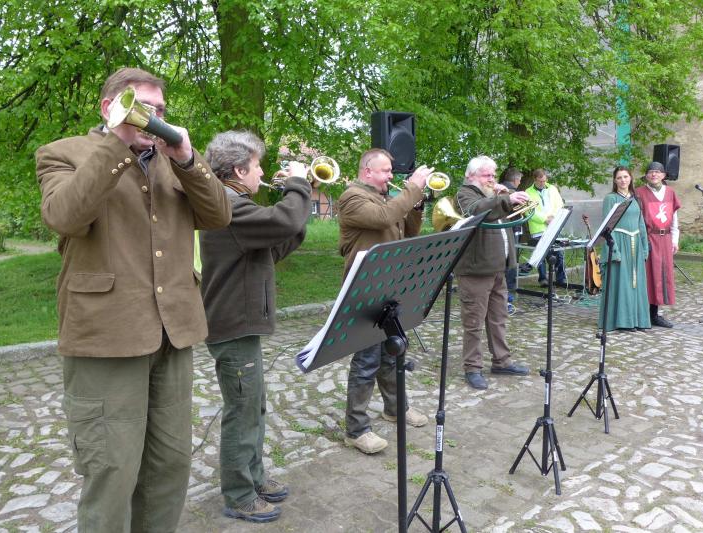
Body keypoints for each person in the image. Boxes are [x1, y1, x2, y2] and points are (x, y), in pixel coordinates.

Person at [35, 67, 231, 532]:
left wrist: (187, 157)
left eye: (159, 109)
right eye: (143, 107)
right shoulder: (63, 153)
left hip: (173, 332)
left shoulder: (173, 161)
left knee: (170, 465)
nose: (153, 117)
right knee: (112, 471)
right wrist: (117, 143)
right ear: (110, 107)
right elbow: (64, 216)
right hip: (106, 334)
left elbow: (219, 215)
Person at [199, 130, 312, 523]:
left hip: (241, 323)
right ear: (238, 170)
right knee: (242, 412)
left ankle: (254, 476)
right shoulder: (228, 206)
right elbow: (282, 219)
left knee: (254, 407)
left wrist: (296, 221)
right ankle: (239, 495)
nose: (262, 173)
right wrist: (298, 184)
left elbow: (275, 240)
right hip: (233, 326)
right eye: (257, 166)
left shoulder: (235, 203)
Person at [337, 149, 431, 454]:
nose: (391, 176)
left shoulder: (387, 198)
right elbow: (384, 218)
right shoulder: (352, 197)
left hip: (389, 284)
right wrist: (412, 188)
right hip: (364, 287)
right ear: (367, 171)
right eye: (386, 170)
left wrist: (417, 204)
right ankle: (356, 430)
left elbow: (409, 230)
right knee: (366, 360)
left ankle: (395, 408)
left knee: (392, 353)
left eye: (391, 171)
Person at [456, 156, 531, 390]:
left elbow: (507, 211)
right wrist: (505, 198)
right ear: (471, 176)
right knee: (474, 322)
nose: (491, 179)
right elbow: (477, 210)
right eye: (486, 175)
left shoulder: (493, 195)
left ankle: (501, 361)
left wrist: (509, 197)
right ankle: (472, 367)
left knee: (498, 318)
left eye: (493, 175)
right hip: (476, 269)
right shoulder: (465, 194)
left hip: (497, 267)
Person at [598, 167, 651, 332]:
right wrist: (614, 250)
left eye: (625, 177)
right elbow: (608, 227)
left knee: (636, 284)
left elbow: (641, 224)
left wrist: (645, 247)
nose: (623, 180)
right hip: (619, 243)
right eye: (619, 177)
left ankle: (637, 320)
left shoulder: (636, 198)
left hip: (636, 243)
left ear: (630, 178)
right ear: (615, 180)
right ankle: (622, 321)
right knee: (622, 283)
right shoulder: (611, 199)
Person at [636, 161, 681, 328]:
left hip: (665, 238)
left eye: (657, 172)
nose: (654, 174)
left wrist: (675, 240)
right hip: (648, 238)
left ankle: (654, 314)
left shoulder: (670, 192)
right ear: (646, 176)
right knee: (648, 275)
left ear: (663, 175)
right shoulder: (639, 193)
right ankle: (644, 314)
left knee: (662, 275)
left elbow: (674, 218)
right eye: (650, 172)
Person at [525, 169, 566, 286]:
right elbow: (529, 211)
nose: (543, 183)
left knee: (558, 253)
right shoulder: (527, 192)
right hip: (538, 229)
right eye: (540, 181)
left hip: (553, 226)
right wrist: (544, 219)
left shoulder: (552, 189)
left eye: (544, 180)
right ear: (535, 180)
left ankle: (560, 279)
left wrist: (553, 217)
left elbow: (559, 204)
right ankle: (543, 279)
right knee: (541, 254)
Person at [500, 167, 523, 313]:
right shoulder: (511, 192)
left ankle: (505, 295)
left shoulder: (501, 190)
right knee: (510, 262)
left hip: (507, 229)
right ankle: (507, 296)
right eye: (519, 180)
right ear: (515, 180)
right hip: (510, 229)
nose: (520, 183)